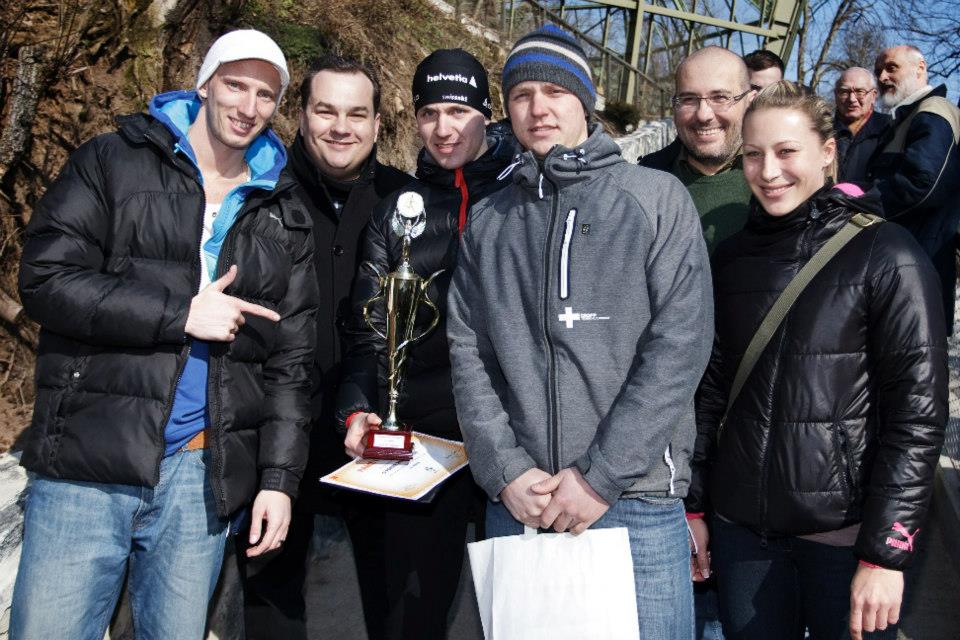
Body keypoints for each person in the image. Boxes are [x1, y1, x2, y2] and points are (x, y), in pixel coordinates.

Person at [11, 29, 319, 639]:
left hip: (198, 473)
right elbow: (44, 278)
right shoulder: (113, 161)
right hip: (87, 458)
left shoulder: (284, 211)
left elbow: (290, 363)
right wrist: (178, 313)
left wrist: (279, 482)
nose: (248, 106)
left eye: (266, 95)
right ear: (204, 84)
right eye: (235, 84)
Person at [447, 25, 714, 638]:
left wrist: (599, 477)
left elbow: (680, 346)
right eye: (521, 95)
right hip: (524, 503)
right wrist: (504, 470)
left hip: (637, 500)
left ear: (584, 101)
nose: (538, 108)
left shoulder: (655, 199)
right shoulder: (490, 220)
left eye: (555, 92)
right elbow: (469, 350)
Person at [687, 81, 947, 640]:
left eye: (787, 152)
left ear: (827, 152)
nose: (768, 171)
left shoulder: (887, 253)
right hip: (742, 535)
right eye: (753, 155)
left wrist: (885, 555)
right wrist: (697, 508)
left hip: (843, 540)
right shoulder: (730, 259)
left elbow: (917, 417)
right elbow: (709, 394)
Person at [334, 48, 515, 640]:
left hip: (515, 439)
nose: (443, 128)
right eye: (430, 112)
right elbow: (368, 329)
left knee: (513, 611)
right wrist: (359, 407)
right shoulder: (397, 213)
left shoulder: (525, 197)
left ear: (487, 115)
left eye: (459, 111)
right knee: (412, 612)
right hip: (424, 436)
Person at [239, 54, 411, 640]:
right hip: (273, 432)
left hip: (375, 435)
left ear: (379, 123)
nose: (342, 127)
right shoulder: (258, 193)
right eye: (326, 110)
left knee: (391, 604)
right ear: (302, 114)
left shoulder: (407, 202)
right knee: (270, 602)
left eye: (357, 113)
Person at [867, 44, 960, 334]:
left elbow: (922, 185)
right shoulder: (906, 118)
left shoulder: (934, 112)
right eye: (878, 70)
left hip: (919, 271)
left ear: (920, 68)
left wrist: (859, 200)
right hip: (903, 267)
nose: (881, 76)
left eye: (891, 67)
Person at [641, 46, 755, 255]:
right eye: (689, 99)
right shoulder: (643, 182)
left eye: (720, 97)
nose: (704, 115)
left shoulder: (781, 186)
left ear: (750, 103)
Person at [833, 67, 890, 183]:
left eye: (860, 92)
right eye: (844, 92)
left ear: (873, 96)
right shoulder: (822, 130)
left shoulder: (889, 129)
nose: (852, 99)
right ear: (835, 95)